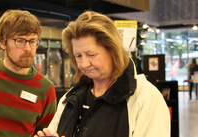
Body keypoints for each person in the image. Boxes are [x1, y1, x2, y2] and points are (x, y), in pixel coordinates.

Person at [35, 11, 170, 137]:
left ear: (113, 51)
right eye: (78, 56)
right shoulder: (70, 98)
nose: (84, 64)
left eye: (91, 54)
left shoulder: (145, 98)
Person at [0, 9, 57, 137]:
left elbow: (45, 132)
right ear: (3, 42)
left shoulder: (45, 89)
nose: (28, 49)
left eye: (33, 41)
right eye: (20, 41)